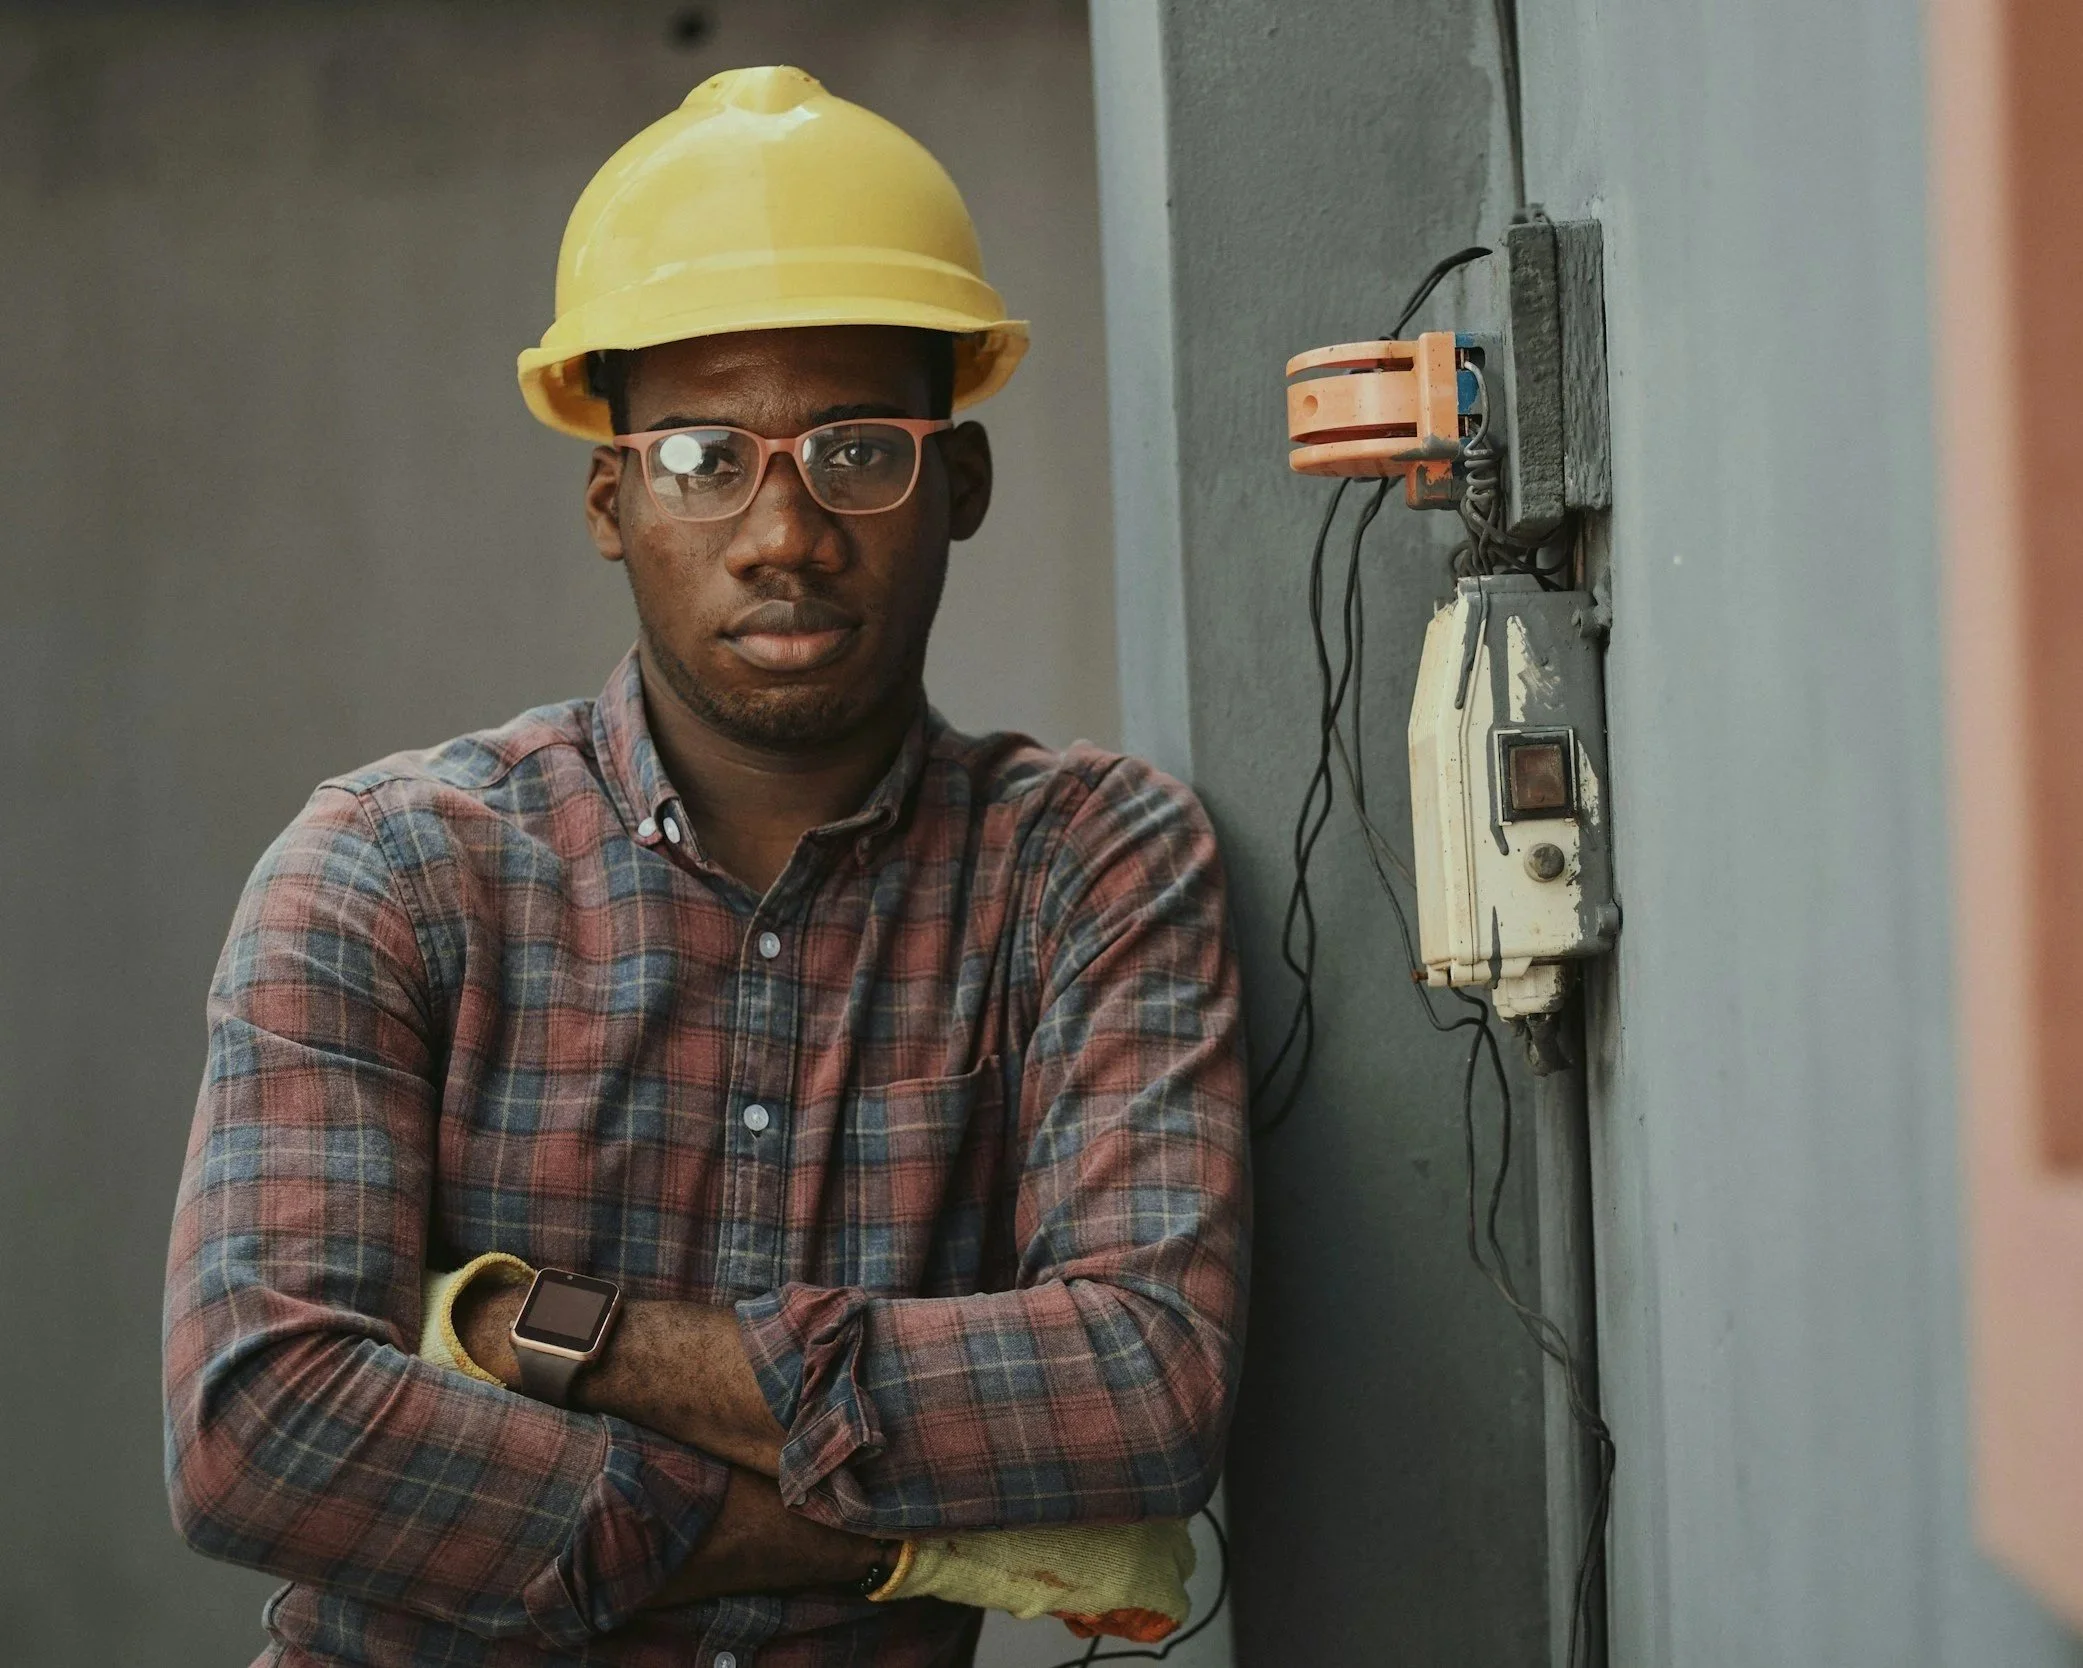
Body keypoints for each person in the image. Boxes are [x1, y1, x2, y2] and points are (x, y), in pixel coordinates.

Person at [163, 66, 1249, 1668]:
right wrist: (898, 1541)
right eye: (700, 460)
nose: (784, 531)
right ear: (613, 501)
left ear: (962, 485)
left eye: (858, 454)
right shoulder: (388, 871)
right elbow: (260, 1429)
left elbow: (1144, 1390)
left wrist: (552, 1338)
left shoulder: (1087, 867)